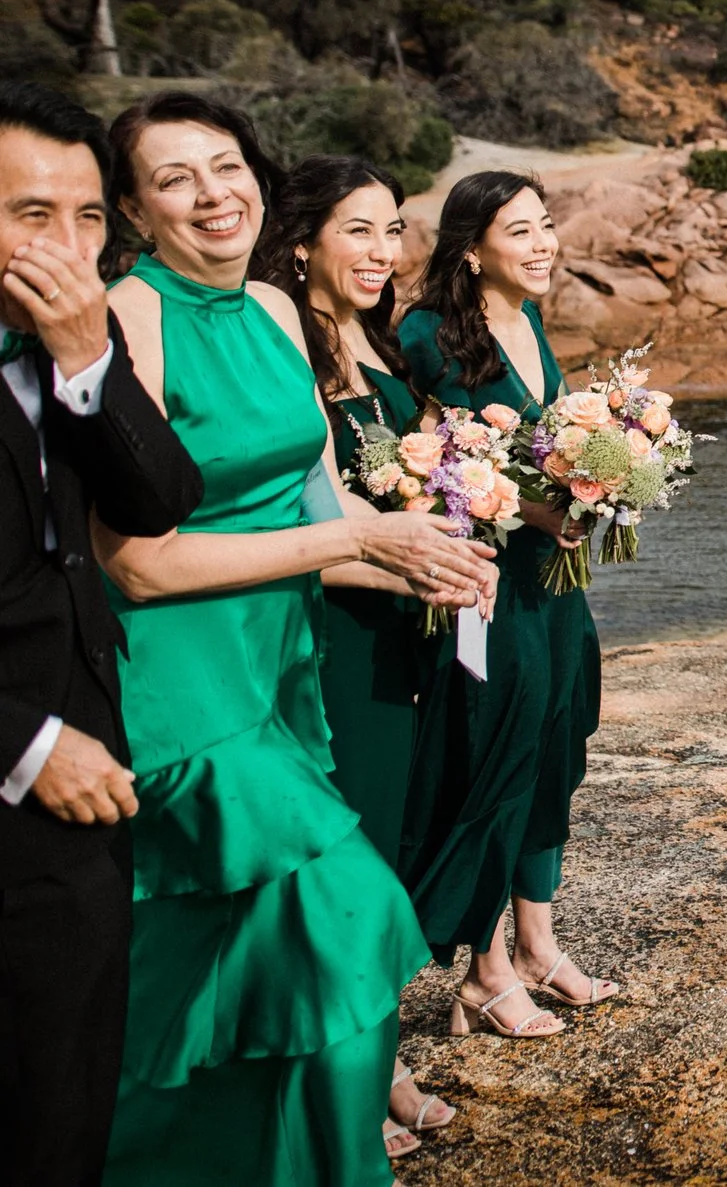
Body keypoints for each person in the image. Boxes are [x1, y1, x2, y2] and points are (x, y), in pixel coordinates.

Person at [92, 93, 495, 1182]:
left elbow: (310, 522)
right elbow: (138, 559)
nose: (213, 193)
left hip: (279, 673)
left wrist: (420, 559)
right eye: (175, 178)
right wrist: (369, 538)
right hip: (176, 683)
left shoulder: (274, 309)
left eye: (226, 166)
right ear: (131, 206)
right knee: (351, 920)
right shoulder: (126, 317)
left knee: (231, 979)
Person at [0, 81, 203, 1187]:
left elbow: (160, 492)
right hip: (32, 761)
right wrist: (25, 744)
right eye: (35, 214)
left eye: (89, 218)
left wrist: (89, 363)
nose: (70, 245)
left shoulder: (67, 340)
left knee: (64, 1103)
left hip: (80, 801)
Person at [252, 156, 457, 1156]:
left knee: (395, 845)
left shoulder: (379, 345)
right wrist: (418, 565)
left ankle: (382, 1056)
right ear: (300, 241)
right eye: (359, 230)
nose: (384, 253)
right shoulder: (288, 344)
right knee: (349, 859)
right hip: (339, 630)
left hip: (402, 629)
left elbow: (419, 482)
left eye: (394, 231)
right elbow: (320, 522)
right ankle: (350, 1080)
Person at [399, 171, 617, 1038]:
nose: (541, 244)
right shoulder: (425, 335)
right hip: (484, 583)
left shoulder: (525, 319)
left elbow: (543, 442)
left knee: (557, 742)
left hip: (552, 581)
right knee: (496, 753)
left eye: (546, 225)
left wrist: (603, 482)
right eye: (519, 231)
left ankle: (538, 943)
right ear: (470, 247)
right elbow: (441, 457)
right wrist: (540, 507)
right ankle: (485, 971)